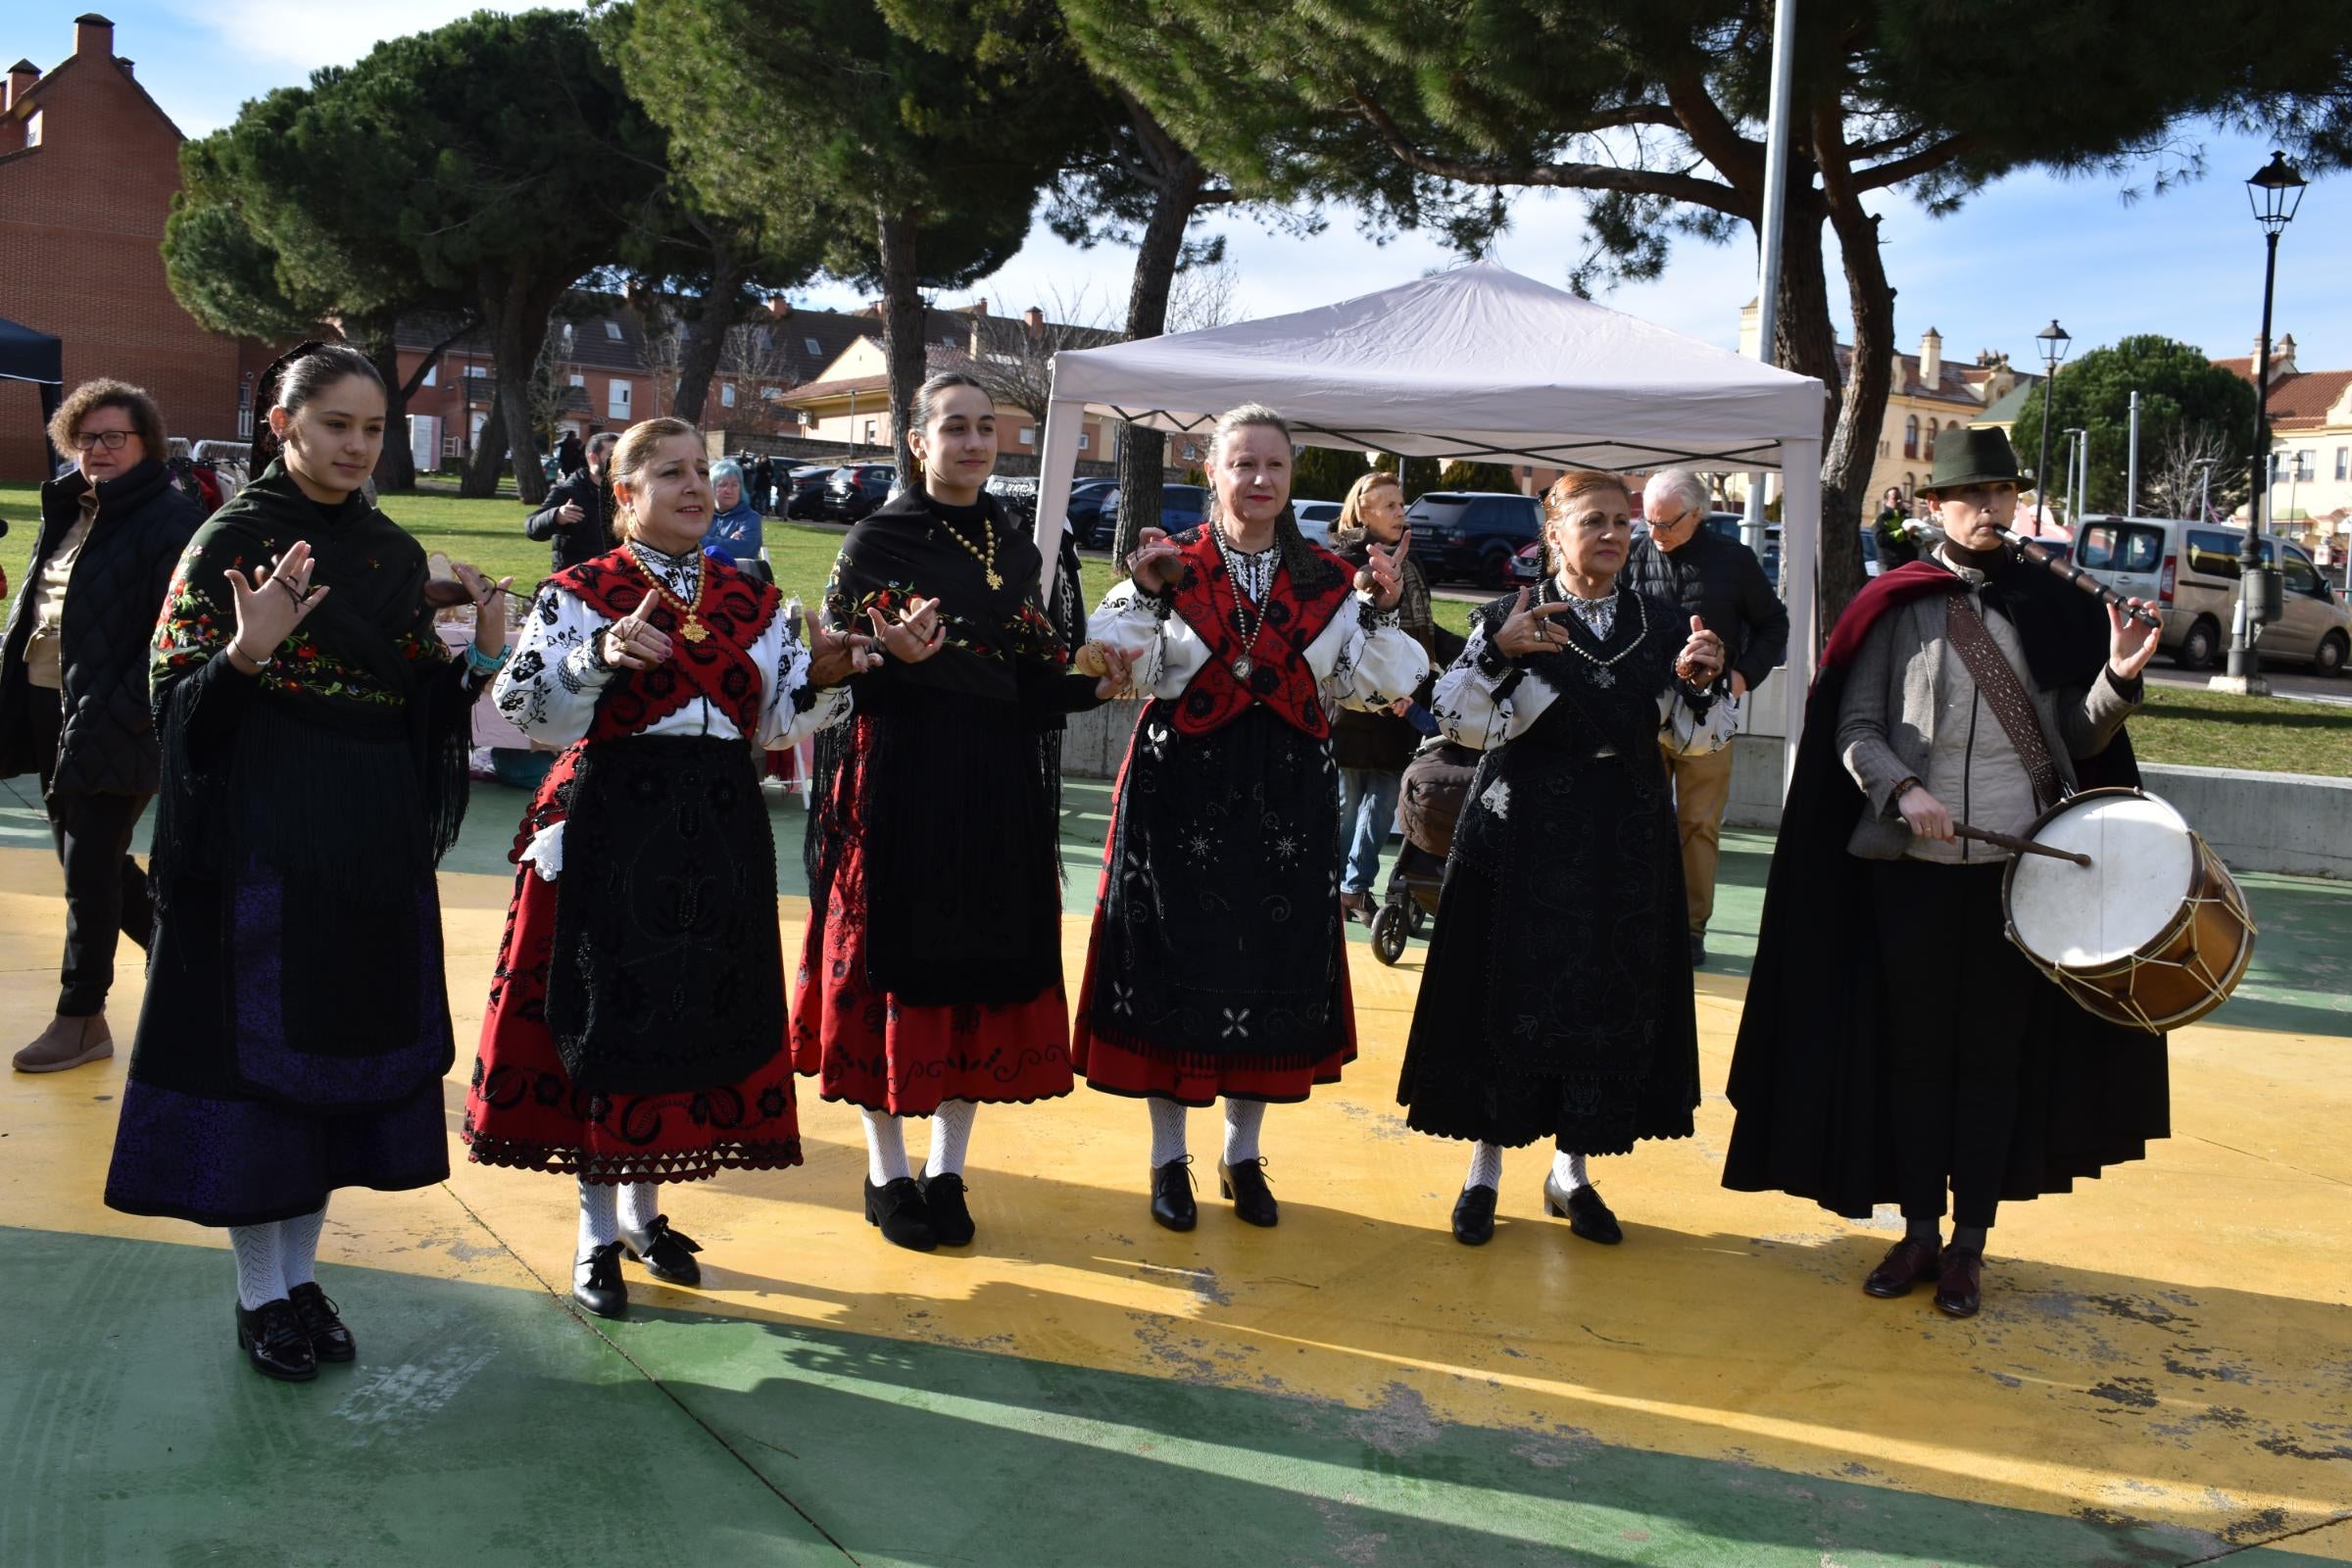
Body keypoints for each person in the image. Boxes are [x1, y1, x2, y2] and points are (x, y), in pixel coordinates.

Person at [102, 342, 510, 1382]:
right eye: (337, 425)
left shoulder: (386, 549)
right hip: (259, 847)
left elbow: (420, 712)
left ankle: (302, 1277)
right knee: (262, 1081)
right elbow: (176, 713)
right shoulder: (229, 542)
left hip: (366, 850)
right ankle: (259, 1295)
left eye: (374, 429)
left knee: (331, 1064)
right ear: (283, 426)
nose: (357, 447)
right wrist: (246, 652)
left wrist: (477, 658)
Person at [1721, 428, 2166, 1318]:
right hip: (1910, 871)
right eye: (1977, 495)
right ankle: (1919, 1229)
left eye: (2004, 493)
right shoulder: (1892, 605)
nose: (1994, 509)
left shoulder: (2048, 605)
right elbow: (1852, 729)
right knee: (1916, 1056)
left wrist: (2116, 678)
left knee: (1993, 1061)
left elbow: (2078, 741)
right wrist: (1904, 789)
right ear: (1936, 506)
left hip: (2017, 876)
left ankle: (1970, 1246)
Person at [465, 417, 865, 1319]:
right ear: (625, 496)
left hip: (718, 825)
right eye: (670, 472)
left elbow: (776, 726)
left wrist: (826, 676)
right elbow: (526, 709)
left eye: (702, 472)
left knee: (685, 1017)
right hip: (614, 817)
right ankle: (593, 1236)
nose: (695, 486)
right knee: (610, 1019)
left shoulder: (754, 599)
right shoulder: (581, 590)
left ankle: (647, 1219)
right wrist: (596, 656)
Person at [1076, 404, 1427, 1232]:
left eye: (1273, 465)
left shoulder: (1332, 582)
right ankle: (1170, 1161)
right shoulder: (1166, 567)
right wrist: (1153, 605)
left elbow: (1370, 679)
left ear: (1291, 476)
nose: (1259, 480)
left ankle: (1242, 1155)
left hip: (1288, 796)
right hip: (1179, 790)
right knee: (1171, 961)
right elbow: (1113, 662)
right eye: (1243, 464)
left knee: (1269, 964)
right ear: (1211, 472)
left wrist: (1379, 603)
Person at [798, 372, 1122, 1252]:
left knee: (979, 971)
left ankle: (946, 1170)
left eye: (986, 428)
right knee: (892, 976)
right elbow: (832, 670)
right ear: (918, 441)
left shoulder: (1021, 544)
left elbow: (1027, 678)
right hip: (902, 774)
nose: (974, 443)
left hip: (994, 778)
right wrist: (886, 657)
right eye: (954, 428)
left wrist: (1092, 685)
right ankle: (885, 1172)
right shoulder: (875, 539)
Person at [1397, 470, 1731, 1248]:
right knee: (1502, 1003)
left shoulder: (1658, 625)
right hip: (1517, 846)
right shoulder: (1509, 616)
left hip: (1621, 843)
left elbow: (1693, 740)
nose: (1613, 535)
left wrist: (1703, 683)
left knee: (1600, 1002)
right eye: (1593, 521)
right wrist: (1492, 653)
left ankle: (1571, 1173)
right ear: (1554, 534)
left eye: (1623, 522)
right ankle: (1483, 1176)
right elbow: (1460, 725)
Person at [1, 380, 200, 1073]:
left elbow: (167, 638)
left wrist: (121, 713)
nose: (100, 449)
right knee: (97, 863)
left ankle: (81, 1017)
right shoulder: (73, 508)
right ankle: (200, 973)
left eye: (116, 436)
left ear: (146, 444)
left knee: (89, 871)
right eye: (87, 438)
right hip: (47, 699)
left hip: (116, 717)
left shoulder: (169, 521)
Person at [1622, 468, 1788, 967]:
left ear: (1698, 515)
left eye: (1667, 522)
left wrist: (1741, 679)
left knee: (1698, 823)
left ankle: (1691, 928)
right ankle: (1636, 917)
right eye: (1648, 521)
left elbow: (1773, 624)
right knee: (1636, 818)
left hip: (1710, 711)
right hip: (1644, 708)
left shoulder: (1733, 560)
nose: (1655, 533)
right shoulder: (1634, 553)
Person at [1329, 469, 1446, 924]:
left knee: (1382, 799)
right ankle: (1336, 884)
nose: (1401, 512)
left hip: (1402, 699)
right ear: (1363, 511)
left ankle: (1355, 888)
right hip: (1352, 703)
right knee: (1346, 799)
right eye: (1390, 505)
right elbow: (1342, 631)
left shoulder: (1409, 561)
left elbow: (1422, 632)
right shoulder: (1343, 560)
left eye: (1402, 503)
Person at [525, 430, 617, 572]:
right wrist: (556, 516)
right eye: (611, 455)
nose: (617, 460)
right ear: (593, 458)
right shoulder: (567, 491)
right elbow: (532, 528)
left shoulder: (622, 493)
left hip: (614, 577)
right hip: (575, 580)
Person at [701, 457, 765, 570]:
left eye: (734, 485)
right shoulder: (701, 515)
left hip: (741, 578)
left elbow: (742, 550)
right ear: (711, 488)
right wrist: (729, 542)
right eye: (722, 485)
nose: (729, 490)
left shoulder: (750, 518)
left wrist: (702, 540)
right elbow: (685, 544)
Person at [1874, 485, 1921, 568]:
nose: (1899, 500)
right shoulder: (1881, 519)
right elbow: (1881, 540)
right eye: (1895, 498)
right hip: (1889, 566)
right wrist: (1904, 533)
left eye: (1900, 498)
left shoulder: (1907, 518)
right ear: (1886, 501)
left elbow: (1914, 542)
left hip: (1907, 566)